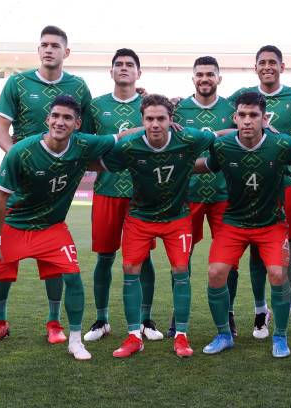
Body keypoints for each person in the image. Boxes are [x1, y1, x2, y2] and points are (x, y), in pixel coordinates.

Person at [0, 96, 115, 365]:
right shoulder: (22, 151)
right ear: (47, 119)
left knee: (73, 276)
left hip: (51, 228)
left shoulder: (84, 144)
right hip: (13, 225)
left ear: (77, 124)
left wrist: (156, 127)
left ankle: (75, 341)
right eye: (55, 116)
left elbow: (121, 138)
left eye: (66, 118)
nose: (59, 122)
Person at [0, 25, 93, 346]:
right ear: (39, 50)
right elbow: (0, 131)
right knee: (3, 255)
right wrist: (19, 161)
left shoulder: (78, 86)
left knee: (53, 257)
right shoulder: (17, 82)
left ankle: (54, 322)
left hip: (55, 186)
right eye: (44, 45)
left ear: (66, 52)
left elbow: (87, 132)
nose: (49, 50)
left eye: (55, 45)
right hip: (20, 182)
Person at [101, 94, 226, 358]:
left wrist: (248, 132)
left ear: (171, 120)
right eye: (149, 119)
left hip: (176, 218)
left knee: (181, 272)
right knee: (130, 271)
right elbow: (100, 160)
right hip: (139, 218)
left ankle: (181, 336)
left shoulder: (189, 138)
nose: (155, 124)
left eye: (161, 118)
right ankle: (134, 336)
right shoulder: (129, 146)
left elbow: (217, 137)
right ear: (142, 120)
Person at [198, 91, 291, 358]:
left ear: (264, 118)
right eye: (242, 115)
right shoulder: (222, 147)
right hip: (234, 222)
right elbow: (205, 166)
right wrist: (170, 162)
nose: (247, 121)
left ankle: (279, 337)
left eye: (253, 115)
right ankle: (224, 334)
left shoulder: (281, 145)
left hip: (271, 224)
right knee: (215, 273)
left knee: (278, 275)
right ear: (234, 118)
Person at [229, 45, 291, 336]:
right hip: (253, 180)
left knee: (290, 246)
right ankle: (259, 310)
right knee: (256, 244)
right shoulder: (241, 96)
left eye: (272, 62)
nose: (267, 66)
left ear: (282, 66)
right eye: (262, 62)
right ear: (255, 67)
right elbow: (219, 113)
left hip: (287, 180)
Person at [83, 48, 163, 343]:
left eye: (130, 65)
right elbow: (86, 145)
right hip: (106, 191)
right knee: (105, 257)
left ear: (138, 73)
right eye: (119, 64)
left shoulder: (150, 104)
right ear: (111, 71)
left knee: (144, 258)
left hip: (142, 194)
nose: (124, 68)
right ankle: (101, 319)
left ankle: (145, 318)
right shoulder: (96, 106)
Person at [170, 56, 238, 337]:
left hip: (225, 194)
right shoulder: (178, 108)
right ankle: (179, 314)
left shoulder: (232, 108)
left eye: (210, 74)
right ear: (193, 78)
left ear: (219, 78)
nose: (205, 79)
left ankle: (228, 313)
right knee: (181, 259)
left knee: (229, 260)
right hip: (189, 195)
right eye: (200, 74)